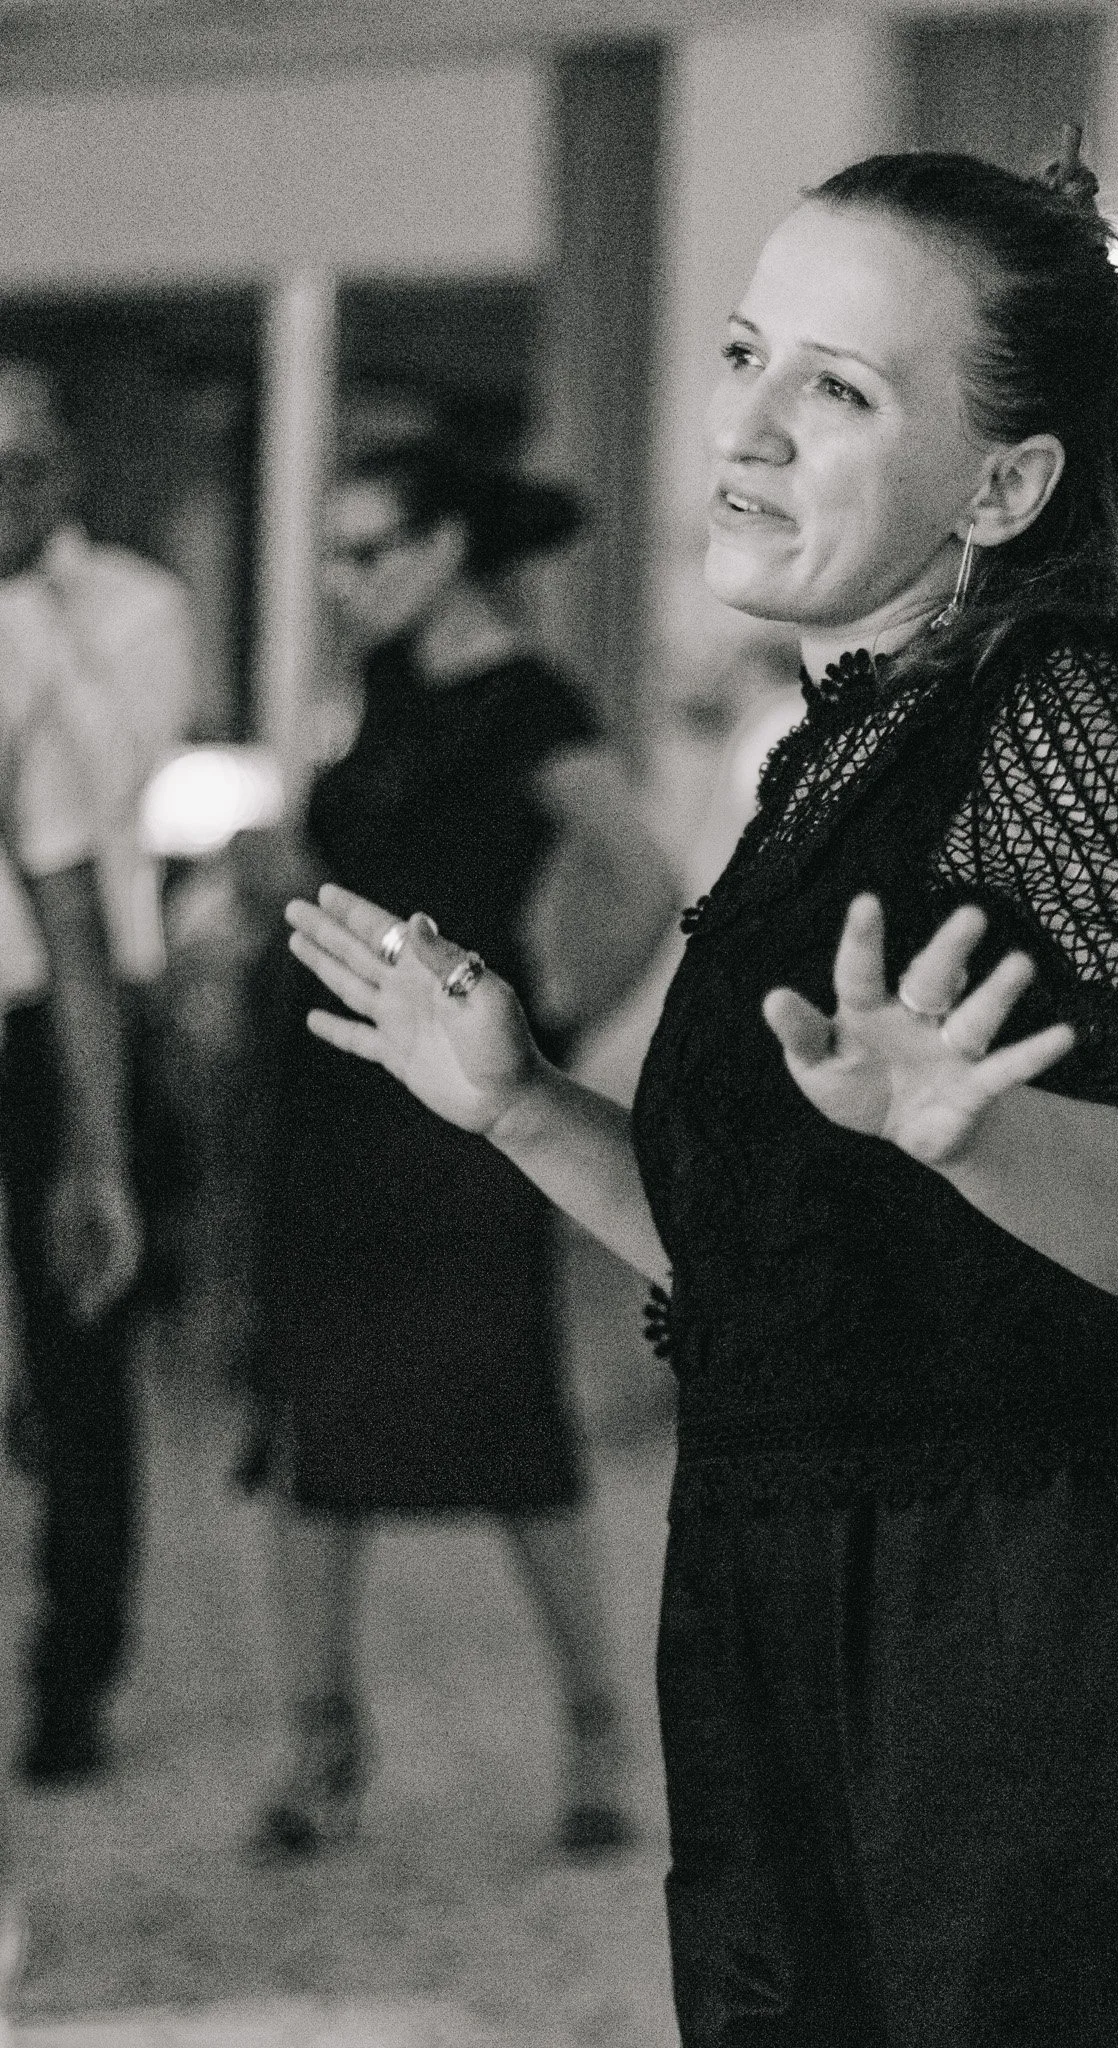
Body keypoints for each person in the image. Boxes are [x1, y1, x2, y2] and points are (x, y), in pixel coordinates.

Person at [284, 141, 1118, 2043]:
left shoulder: (1068, 708)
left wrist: (980, 1126)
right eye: (745, 357)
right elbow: (793, 1272)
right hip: (815, 1602)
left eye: (836, 388)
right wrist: (523, 1104)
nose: (745, 429)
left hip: (1048, 1639)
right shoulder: (848, 750)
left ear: (1003, 483)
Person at [245, 437, 678, 1861]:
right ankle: (321, 1747)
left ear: (444, 551)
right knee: (312, 1431)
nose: (342, 581)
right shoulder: (373, 691)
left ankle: (597, 1736)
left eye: (369, 551)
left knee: (504, 1424)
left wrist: (549, 1030)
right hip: (325, 1100)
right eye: (333, 554)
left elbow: (644, 876)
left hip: (450, 1114)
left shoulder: (525, 699)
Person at [0, 359, 170, 1785]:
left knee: (77, 1354)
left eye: (26, 461)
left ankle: (74, 1668)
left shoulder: (124, 610)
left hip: (61, 1021)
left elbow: (96, 836)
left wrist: (98, 1144)